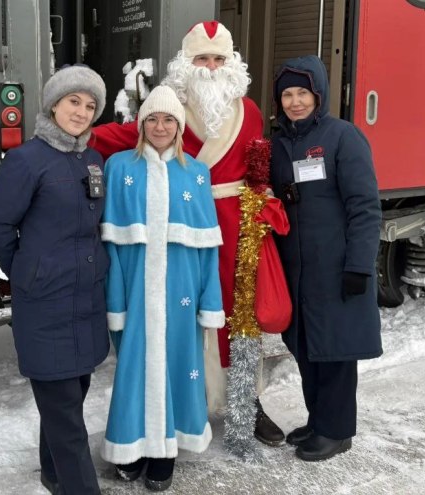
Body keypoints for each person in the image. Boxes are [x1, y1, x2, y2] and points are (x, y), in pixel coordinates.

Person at [92, 20, 285, 447]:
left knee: (239, 318)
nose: (212, 67)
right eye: (203, 58)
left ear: (231, 62)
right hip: (181, 224)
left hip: (236, 225)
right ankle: (183, 403)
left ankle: (245, 405)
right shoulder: (169, 108)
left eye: (219, 58)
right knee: (182, 315)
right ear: (186, 62)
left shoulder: (249, 112)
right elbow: (128, 138)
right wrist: (77, 135)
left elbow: (257, 169)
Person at [0, 65, 109, 494]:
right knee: (67, 416)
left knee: (70, 398)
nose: (81, 111)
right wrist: (26, 270)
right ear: (54, 104)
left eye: (90, 106)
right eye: (74, 101)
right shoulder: (25, 160)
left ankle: (53, 473)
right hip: (46, 302)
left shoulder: (93, 160)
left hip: (85, 299)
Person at [101, 85, 224, 491]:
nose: (159, 126)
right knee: (134, 366)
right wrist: (115, 301)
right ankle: (130, 444)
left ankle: (164, 451)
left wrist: (210, 303)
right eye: (152, 118)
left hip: (182, 293)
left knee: (177, 364)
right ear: (141, 124)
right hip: (136, 290)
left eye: (168, 119)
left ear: (179, 125)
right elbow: (112, 245)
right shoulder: (119, 168)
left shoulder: (196, 174)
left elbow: (208, 247)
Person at [269, 55, 383, 462]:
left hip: (335, 268)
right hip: (297, 270)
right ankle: (319, 421)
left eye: (303, 93)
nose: (295, 101)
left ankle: (336, 432)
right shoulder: (280, 143)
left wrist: (359, 265)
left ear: (319, 94)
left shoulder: (343, 137)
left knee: (335, 351)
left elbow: (365, 206)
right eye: (287, 94)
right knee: (307, 347)